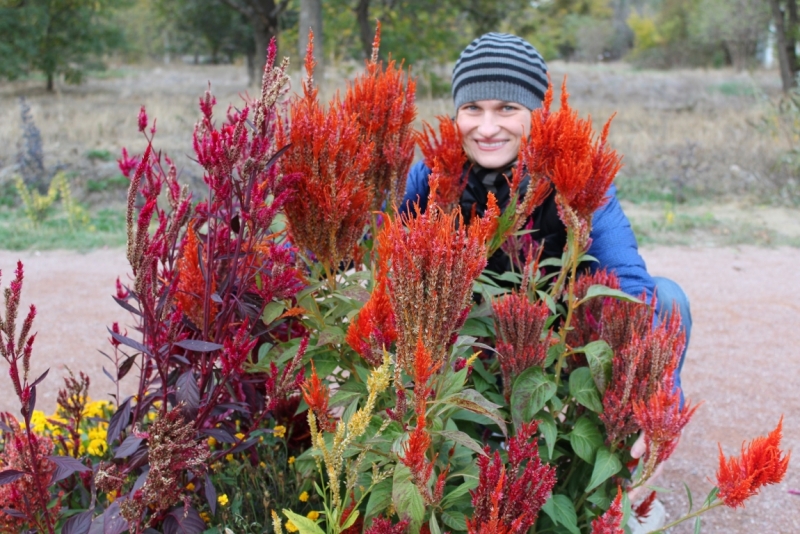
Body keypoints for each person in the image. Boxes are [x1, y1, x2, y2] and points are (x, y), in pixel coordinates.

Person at [400, 32, 691, 522]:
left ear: (537, 113)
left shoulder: (578, 172)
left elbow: (627, 279)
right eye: (472, 108)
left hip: (554, 339)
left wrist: (656, 393)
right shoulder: (435, 174)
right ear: (456, 115)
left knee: (668, 299)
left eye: (507, 108)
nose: (487, 127)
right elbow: (378, 253)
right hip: (469, 341)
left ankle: (615, 492)